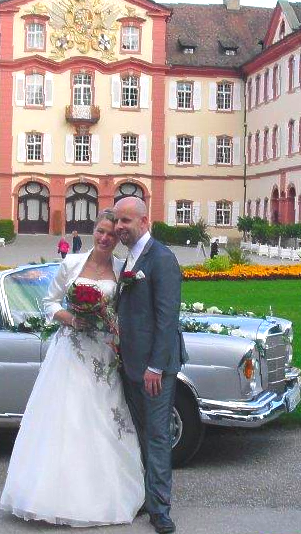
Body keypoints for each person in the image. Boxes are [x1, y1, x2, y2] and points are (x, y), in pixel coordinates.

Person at [0, 209, 144, 526]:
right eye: (101, 231)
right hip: (71, 351)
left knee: (103, 418)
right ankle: (54, 496)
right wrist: (73, 318)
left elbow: (125, 312)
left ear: (119, 238)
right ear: (94, 232)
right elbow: (49, 303)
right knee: (67, 418)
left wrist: (111, 325)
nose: (105, 238)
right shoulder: (72, 264)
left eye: (111, 233)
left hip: (103, 354)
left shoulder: (123, 271)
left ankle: (104, 494)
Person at [113, 197, 187, 534]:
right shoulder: (130, 257)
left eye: (125, 221)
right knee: (142, 433)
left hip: (154, 369)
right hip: (131, 364)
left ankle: (160, 509)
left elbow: (167, 318)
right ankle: (147, 495)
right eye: (117, 221)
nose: (119, 227)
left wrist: (156, 367)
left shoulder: (161, 259)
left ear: (145, 221)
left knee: (157, 436)